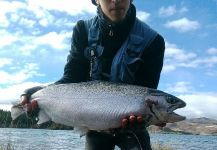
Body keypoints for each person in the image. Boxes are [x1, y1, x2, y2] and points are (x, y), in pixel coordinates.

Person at [20, 0, 165, 149]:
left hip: (133, 129)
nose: (115, 1)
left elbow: (147, 89)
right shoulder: (83, 30)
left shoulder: (153, 42)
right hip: (94, 125)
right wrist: (36, 93)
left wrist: (145, 119)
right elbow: (72, 78)